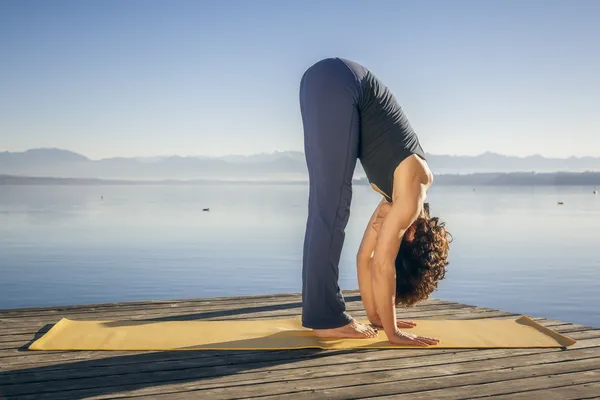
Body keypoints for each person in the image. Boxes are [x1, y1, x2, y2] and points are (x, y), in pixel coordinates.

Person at [299, 57, 451, 346]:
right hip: (340, 82)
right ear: (411, 234)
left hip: (321, 79)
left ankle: (323, 314)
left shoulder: (392, 200)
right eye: (392, 238)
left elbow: (365, 258)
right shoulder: (413, 192)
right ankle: (327, 319)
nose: (381, 228)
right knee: (332, 206)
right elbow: (383, 265)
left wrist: (378, 317)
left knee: (326, 206)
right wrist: (394, 334)